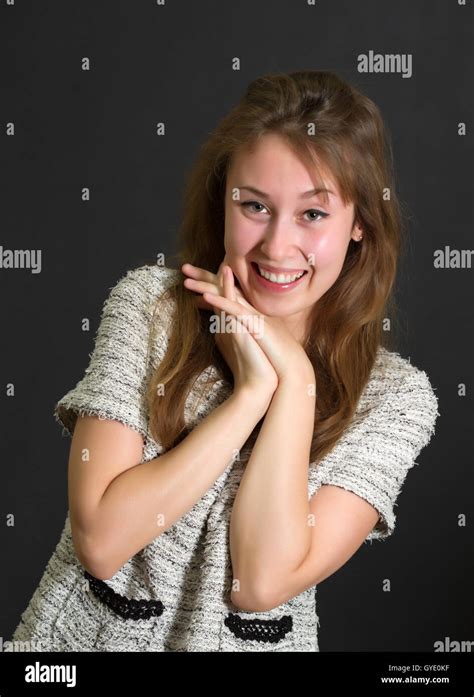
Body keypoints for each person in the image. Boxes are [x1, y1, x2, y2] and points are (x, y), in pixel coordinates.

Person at [11, 70, 440, 652]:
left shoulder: (397, 399)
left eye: (313, 214)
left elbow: (259, 583)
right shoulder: (150, 308)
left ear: (360, 221)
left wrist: (297, 382)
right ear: (223, 203)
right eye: (256, 206)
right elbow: (102, 539)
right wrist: (248, 396)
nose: (277, 246)